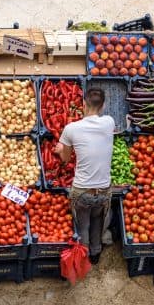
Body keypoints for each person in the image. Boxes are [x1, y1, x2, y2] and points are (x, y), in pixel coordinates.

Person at [55, 88, 115, 265]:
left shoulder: (71, 128)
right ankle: (95, 253)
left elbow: (65, 159)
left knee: (83, 224)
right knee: (97, 219)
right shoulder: (109, 122)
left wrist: (60, 151)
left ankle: (83, 254)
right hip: (103, 189)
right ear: (103, 106)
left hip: (82, 190)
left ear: (83, 105)